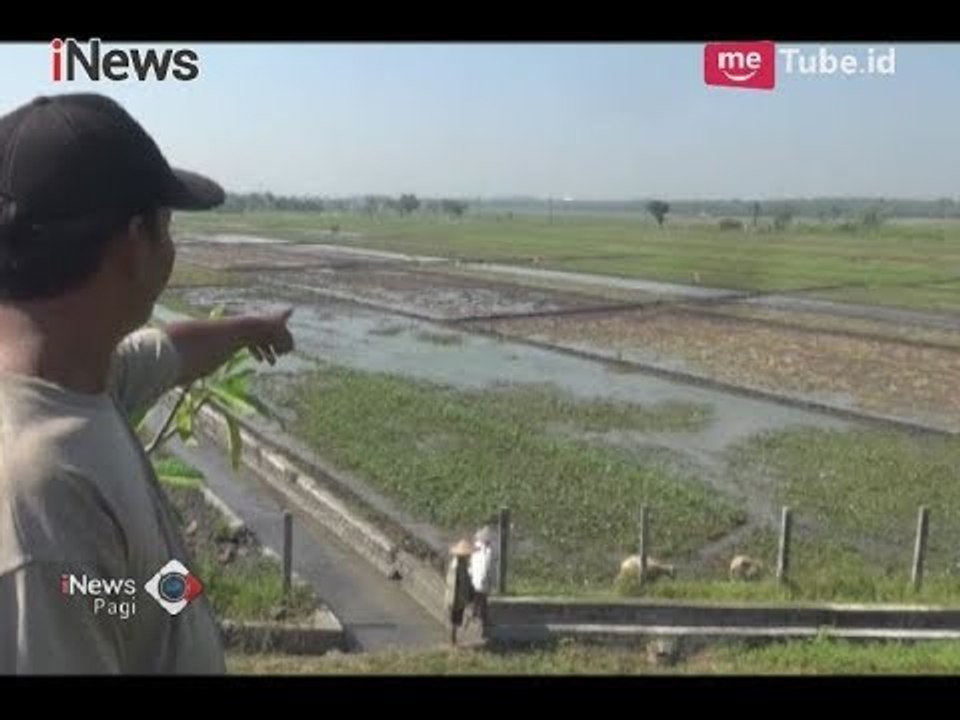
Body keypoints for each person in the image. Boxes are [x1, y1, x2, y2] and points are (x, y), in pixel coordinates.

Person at [0, 93, 295, 674]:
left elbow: (171, 351)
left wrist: (247, 329)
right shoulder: (42, 502)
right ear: (135, 243)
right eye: (167, 226)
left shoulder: (80, 375)